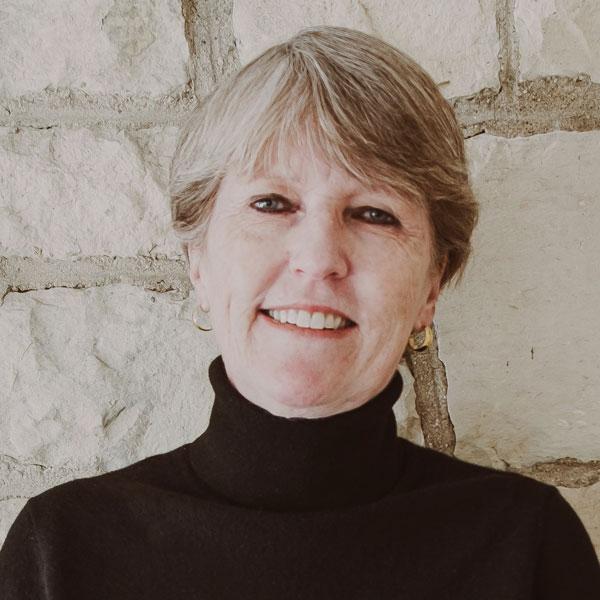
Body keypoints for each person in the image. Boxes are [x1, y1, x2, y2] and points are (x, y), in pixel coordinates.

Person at [1, 25, 598, 599]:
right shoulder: (63, 551)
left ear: (430, 286)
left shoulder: (528, 547)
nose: (318, 259)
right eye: (271, 203)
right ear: (198, 262)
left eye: (373, 213)